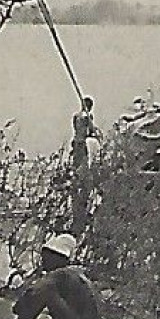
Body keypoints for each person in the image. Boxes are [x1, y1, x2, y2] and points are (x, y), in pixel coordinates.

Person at [11, 233, 101, 319]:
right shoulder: (75, 274)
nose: (43, 261)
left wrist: (22, 312)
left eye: (46, 257)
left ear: (56, 258)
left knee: (47, 291)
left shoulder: (60, 274)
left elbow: (32, 295)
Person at [69, 97, 99, 230]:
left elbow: (90, 130)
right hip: (80, 143)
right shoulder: (83, 116)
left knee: (81, 166)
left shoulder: (84, 116)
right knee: (80, 165)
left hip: (80, 143)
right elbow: (84, 128)